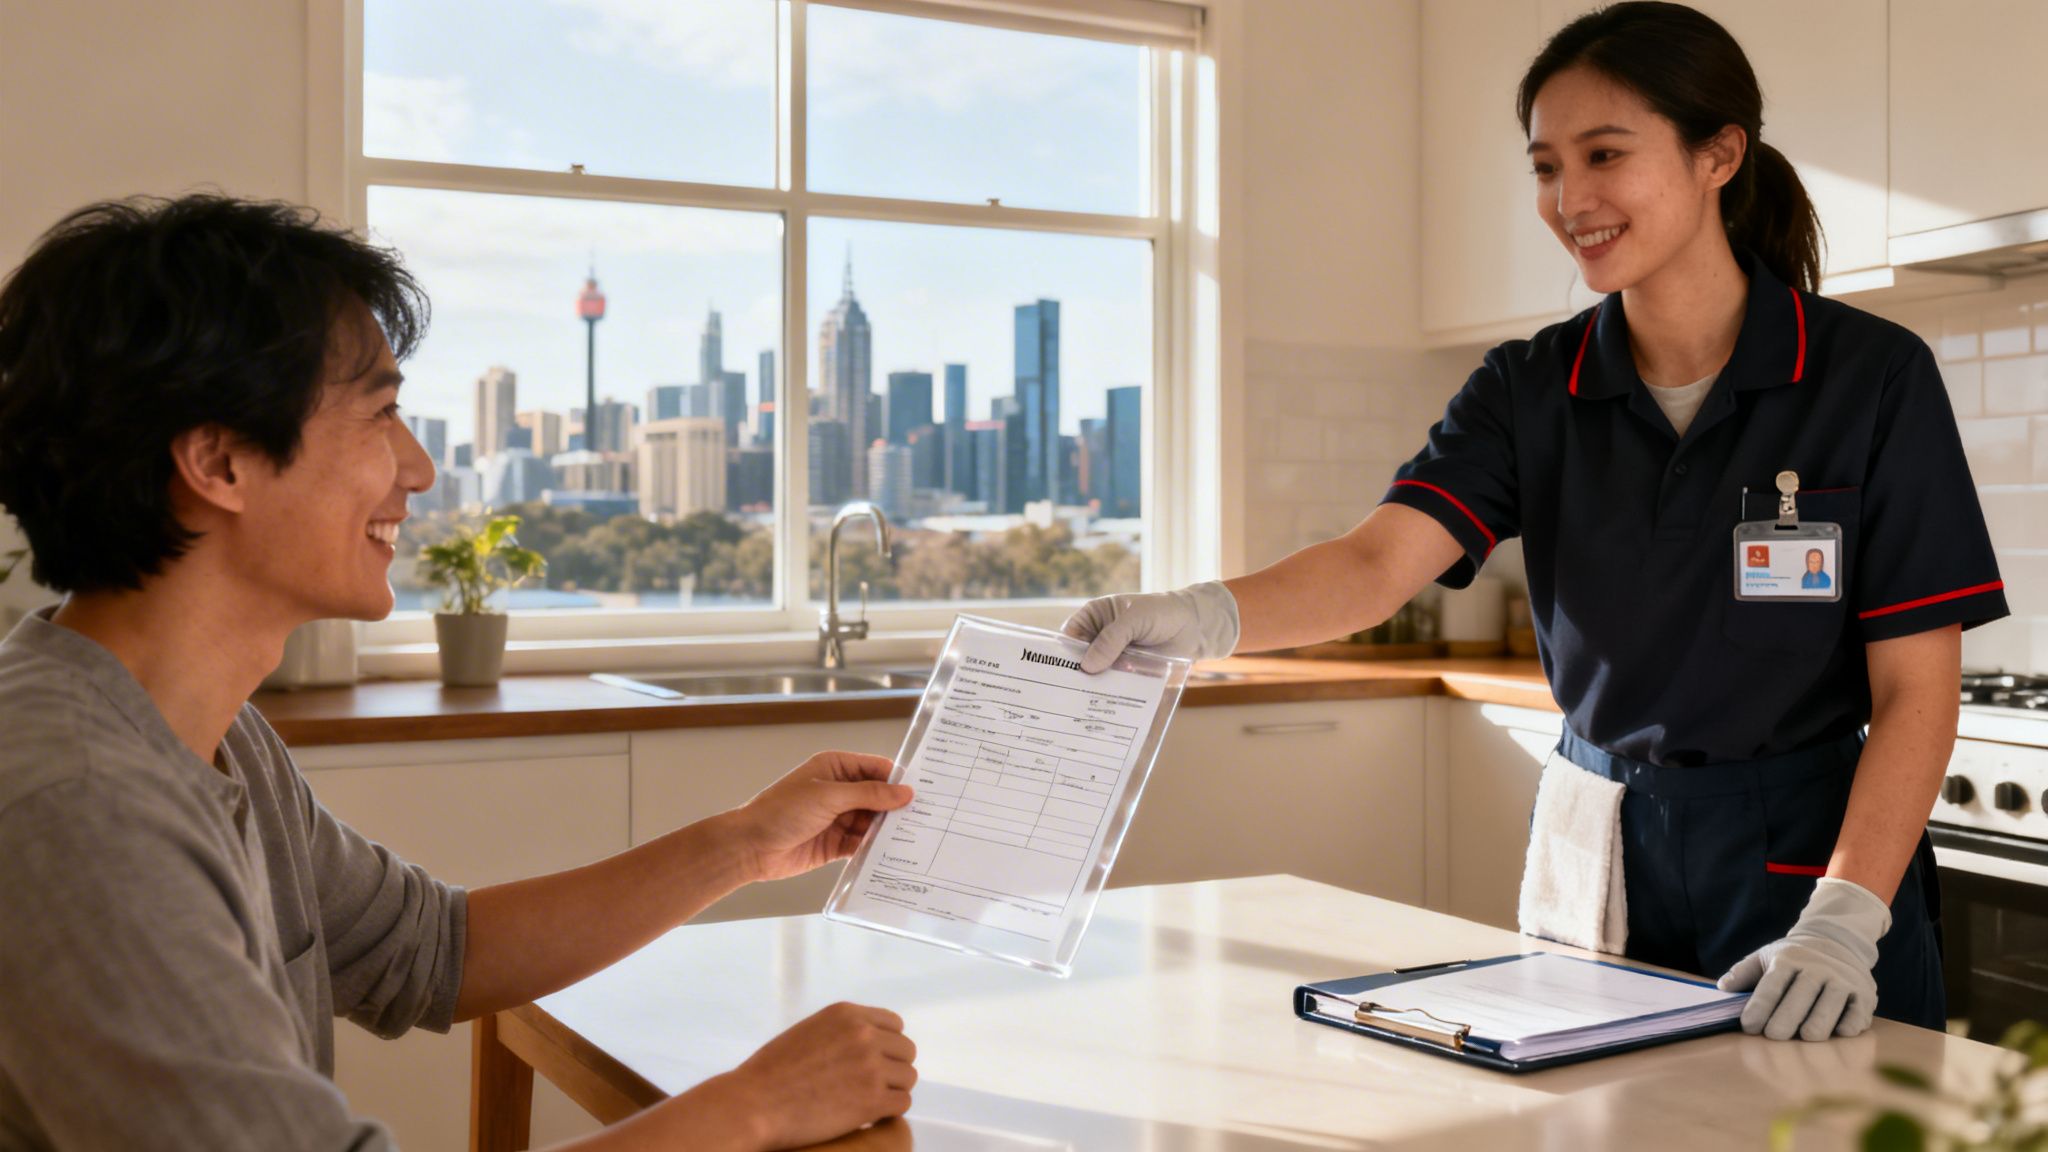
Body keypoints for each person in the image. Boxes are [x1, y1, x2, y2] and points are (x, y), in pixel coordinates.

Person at [1067, 2, 2001, 1043]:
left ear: (1717, 154)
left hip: (1808, 858)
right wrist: (1193, 617)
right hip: (1599, 842)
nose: (1569, 199)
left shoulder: (1864, 380)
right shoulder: (1527, 387)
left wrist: (1842, 916)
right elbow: (1377, 564)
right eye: (1546, 167)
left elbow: (1916, 688)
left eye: (1603, 154)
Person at [0, 196, 918, 1150]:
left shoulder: (211, 731)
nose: (421, 468)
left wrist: (746, 846)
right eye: (383, 414)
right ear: (220, 461)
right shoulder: (79, 805)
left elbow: (429, 950)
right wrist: (756, 1107)